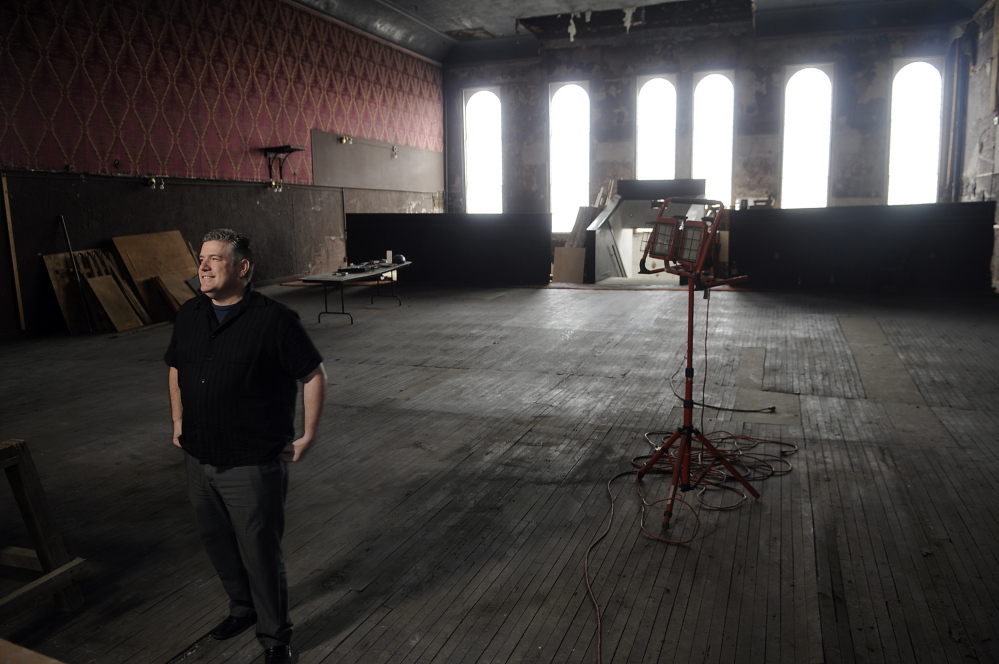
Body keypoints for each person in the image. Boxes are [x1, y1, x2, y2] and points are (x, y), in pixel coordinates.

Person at [165, 229, 326, 664]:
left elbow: (313, 374)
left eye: (215, 258)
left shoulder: (273, 320)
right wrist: (179, 419)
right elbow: (176, 368)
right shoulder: (190, 314)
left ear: (242, 268)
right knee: (217, 542)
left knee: (259, 551)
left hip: (252, 462)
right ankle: (241, 608)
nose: (203, 265)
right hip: (199, 456)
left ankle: (275, 638)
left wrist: (307, 435)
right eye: (201, 257)